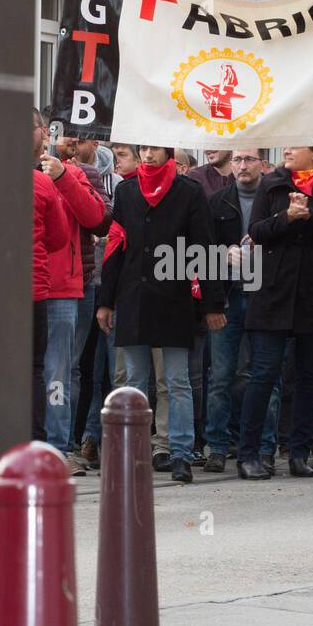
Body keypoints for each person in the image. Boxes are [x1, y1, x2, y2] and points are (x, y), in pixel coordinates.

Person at [97, 145, 226, 483]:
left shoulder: (189, 192)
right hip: (133, 297)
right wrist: (105, 301)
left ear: (169, 154)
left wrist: (213, 304)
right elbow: (114, 248)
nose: (148, 155)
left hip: (174, 298)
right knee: (134, 382)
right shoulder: (126, 191)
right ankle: (132, 452)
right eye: (144, 149)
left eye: (155, 149)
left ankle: (181, 453)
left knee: (177, 380)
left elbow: (205, 248)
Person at [235, 145, 313, 479]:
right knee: (263, 374)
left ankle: (299, 453)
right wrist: (287, 217)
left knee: (308, 377)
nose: (286, 149)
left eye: (295, 144)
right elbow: (256, 231)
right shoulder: (272, 183)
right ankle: (250, 453)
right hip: (273, 292)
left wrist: (310, 217)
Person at [203, 148, 280, 472]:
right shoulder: (217, 201)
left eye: (249, 159)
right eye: (237, 160)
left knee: (267, 377)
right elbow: (201, 252)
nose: (242, 165)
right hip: (230, 296)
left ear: (263, 164)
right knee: (221, 376)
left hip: (266, 297)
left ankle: (265, 448)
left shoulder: (278, 200)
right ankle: (218, 447)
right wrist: (224, 256)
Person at [40, 134, 108, 463]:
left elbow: (97, 218)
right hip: (9, 288)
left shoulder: (71, 172)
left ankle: (57, 450)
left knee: (59, 373)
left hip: (61, 288)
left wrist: (63, 178)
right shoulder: (0, 168)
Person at [78, 142, 140, 467]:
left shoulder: (121, 189)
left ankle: (107, 440)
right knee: (92, 368)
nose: (118, 162)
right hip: (92, 287)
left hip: (111, 291)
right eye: (115, 157)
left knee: (114, 373)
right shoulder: (115, 189)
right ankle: (90, 438)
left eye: (124, 155)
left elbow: (115, 239)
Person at [32, 110, 71, 442]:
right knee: (34, 370)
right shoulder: (41, 182)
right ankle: (35, 442)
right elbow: (58, 238)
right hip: (33, 291)